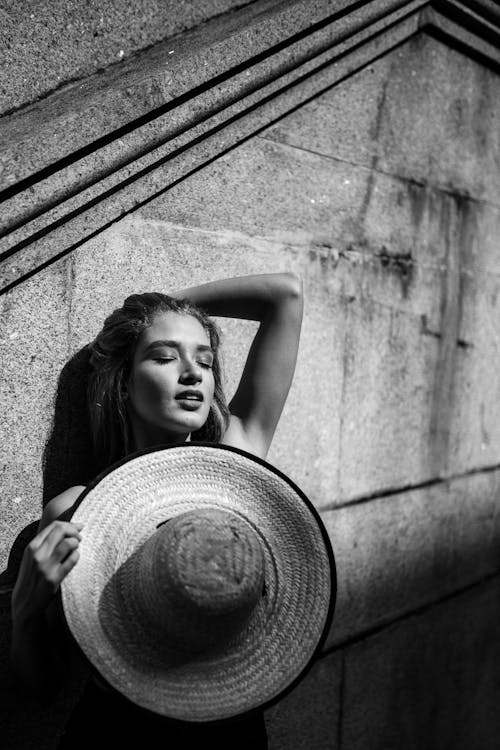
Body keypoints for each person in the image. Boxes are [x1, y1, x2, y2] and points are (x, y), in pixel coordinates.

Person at [10, 272, 304, 749]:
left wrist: (167, 307)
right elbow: (41, 687)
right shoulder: (77, 510)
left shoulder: (235, 462)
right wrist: (25, 612)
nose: (192, 373)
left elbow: (285, 295)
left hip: (234, 735)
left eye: (204, 361)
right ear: (123, 382)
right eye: (165, 356)